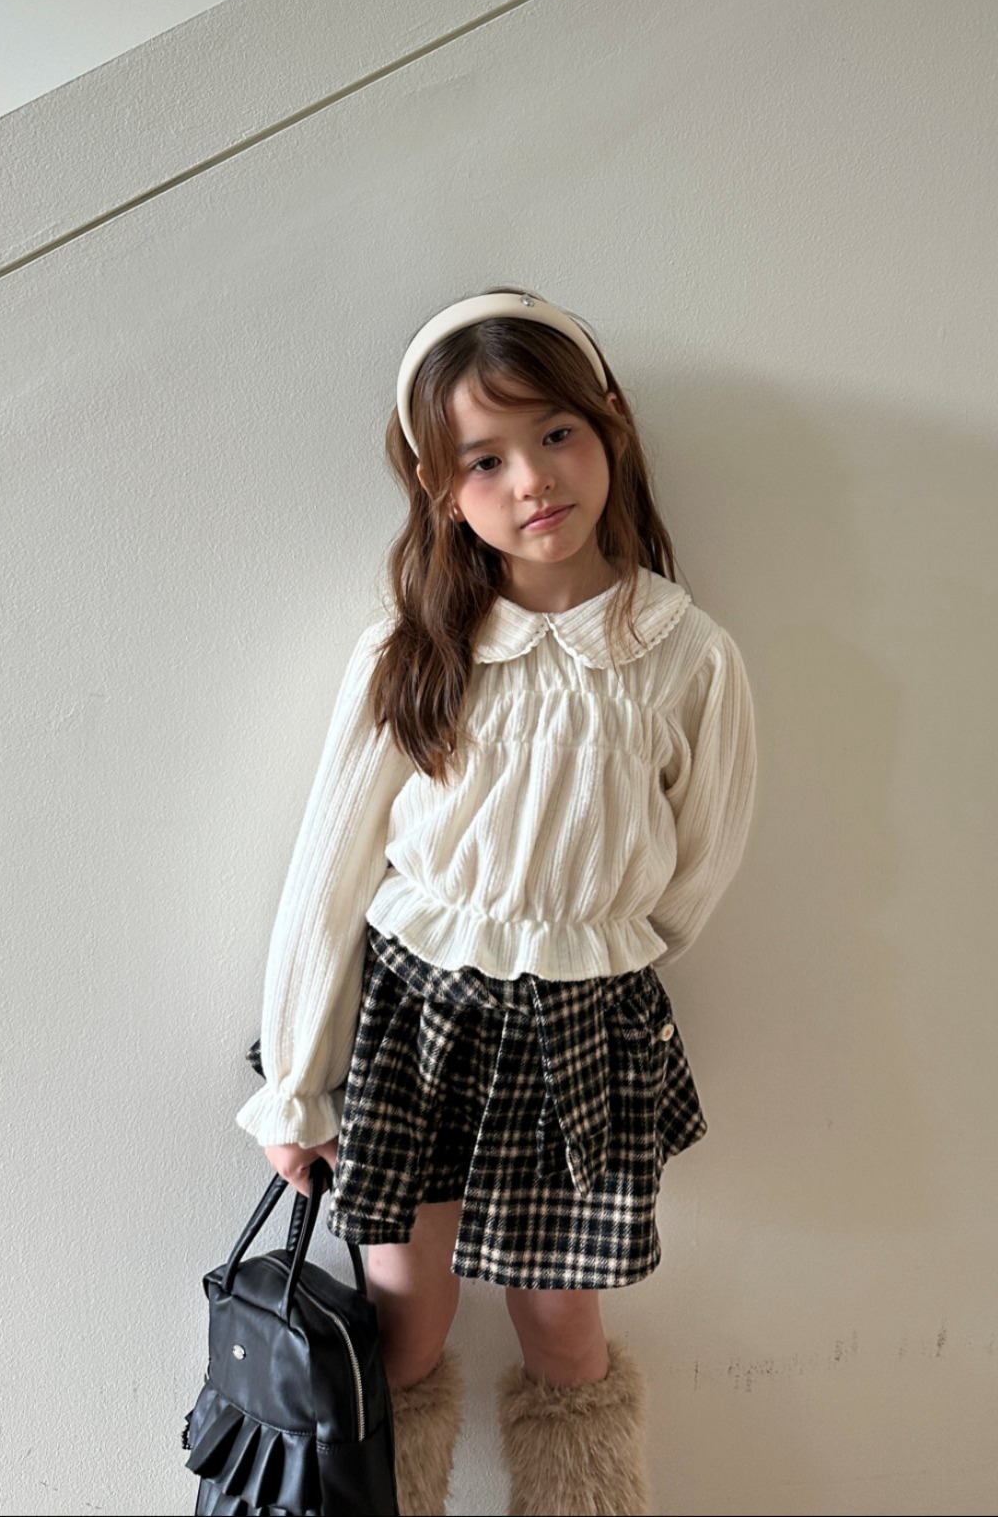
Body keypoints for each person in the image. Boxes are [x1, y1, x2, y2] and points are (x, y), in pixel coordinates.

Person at [235, 285, 759, 1516]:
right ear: (439, 484)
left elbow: (700, 858)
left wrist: (589, 950)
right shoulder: (413, 647)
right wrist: (297, 1082)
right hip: (415, 1021)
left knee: (561, 1322)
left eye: (555, 433)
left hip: (579, 1026)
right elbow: (327, 874)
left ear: (608, 423)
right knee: (404, 1319)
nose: (531, 479)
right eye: (485, 457)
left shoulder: (684, 653)